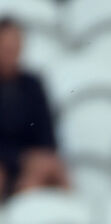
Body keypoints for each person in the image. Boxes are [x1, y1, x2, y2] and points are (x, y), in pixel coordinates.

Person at [0, 14, 70, 199]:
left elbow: (48, 136)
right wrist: (19, 157)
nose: (11, 52)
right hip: (6, 162)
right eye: (6, 47)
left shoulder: (33, 85)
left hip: (30, 165)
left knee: (50, 167)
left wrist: (33, 159)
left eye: (15, 45)